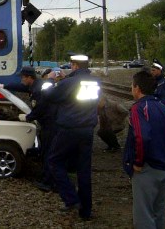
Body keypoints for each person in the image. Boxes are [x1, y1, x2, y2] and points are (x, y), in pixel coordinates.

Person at [41, 54, 100, 220]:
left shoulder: (69, 83)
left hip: (69, 129)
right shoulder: (95, 82)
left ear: (74, 66)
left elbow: (49, 95)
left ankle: (71, 198)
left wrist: (51, 81)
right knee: (84, 171)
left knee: (53, 161)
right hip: (87, 130)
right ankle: (85, 212)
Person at [123, 70, 165, 229]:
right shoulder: (164, 108)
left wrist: (137, 162)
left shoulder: (138, 108)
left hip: (147, 168)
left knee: (143, 216)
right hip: (164, 166)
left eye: (132, 86)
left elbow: (141, 136)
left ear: (137, 88)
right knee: (158, 212)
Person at [13, 66, 58, 192]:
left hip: (51, 125)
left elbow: (41, 108)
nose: (21, 80)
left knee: (48, 153)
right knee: (45, 151)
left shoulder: (38, 90)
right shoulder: (35, 85)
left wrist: (28, 117)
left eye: (22, 77)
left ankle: (49, 183)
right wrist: (3, 86)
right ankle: (46, 178)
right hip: (48, 124)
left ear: (29, 77)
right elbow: (20, 87)